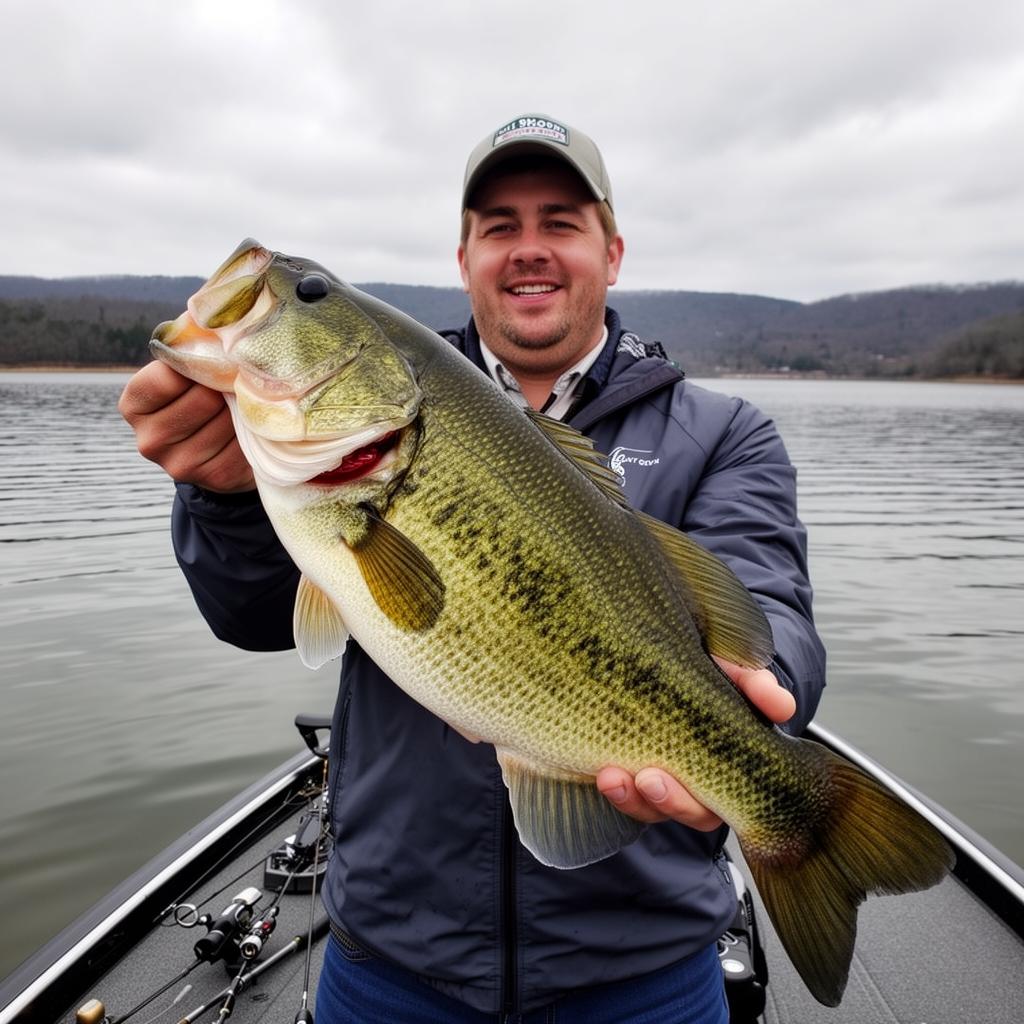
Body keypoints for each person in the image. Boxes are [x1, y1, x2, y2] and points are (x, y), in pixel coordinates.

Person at [120, 113, 826, 1024]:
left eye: (559, 222)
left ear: (612, 252)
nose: (528, 250)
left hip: (642, 969)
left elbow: (769, 606)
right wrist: (225, 495)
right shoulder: (349, 442)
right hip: (390, 960)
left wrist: (770, 699)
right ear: (464, 260)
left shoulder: (725, 434)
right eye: (499, 226)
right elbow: (252, 613)